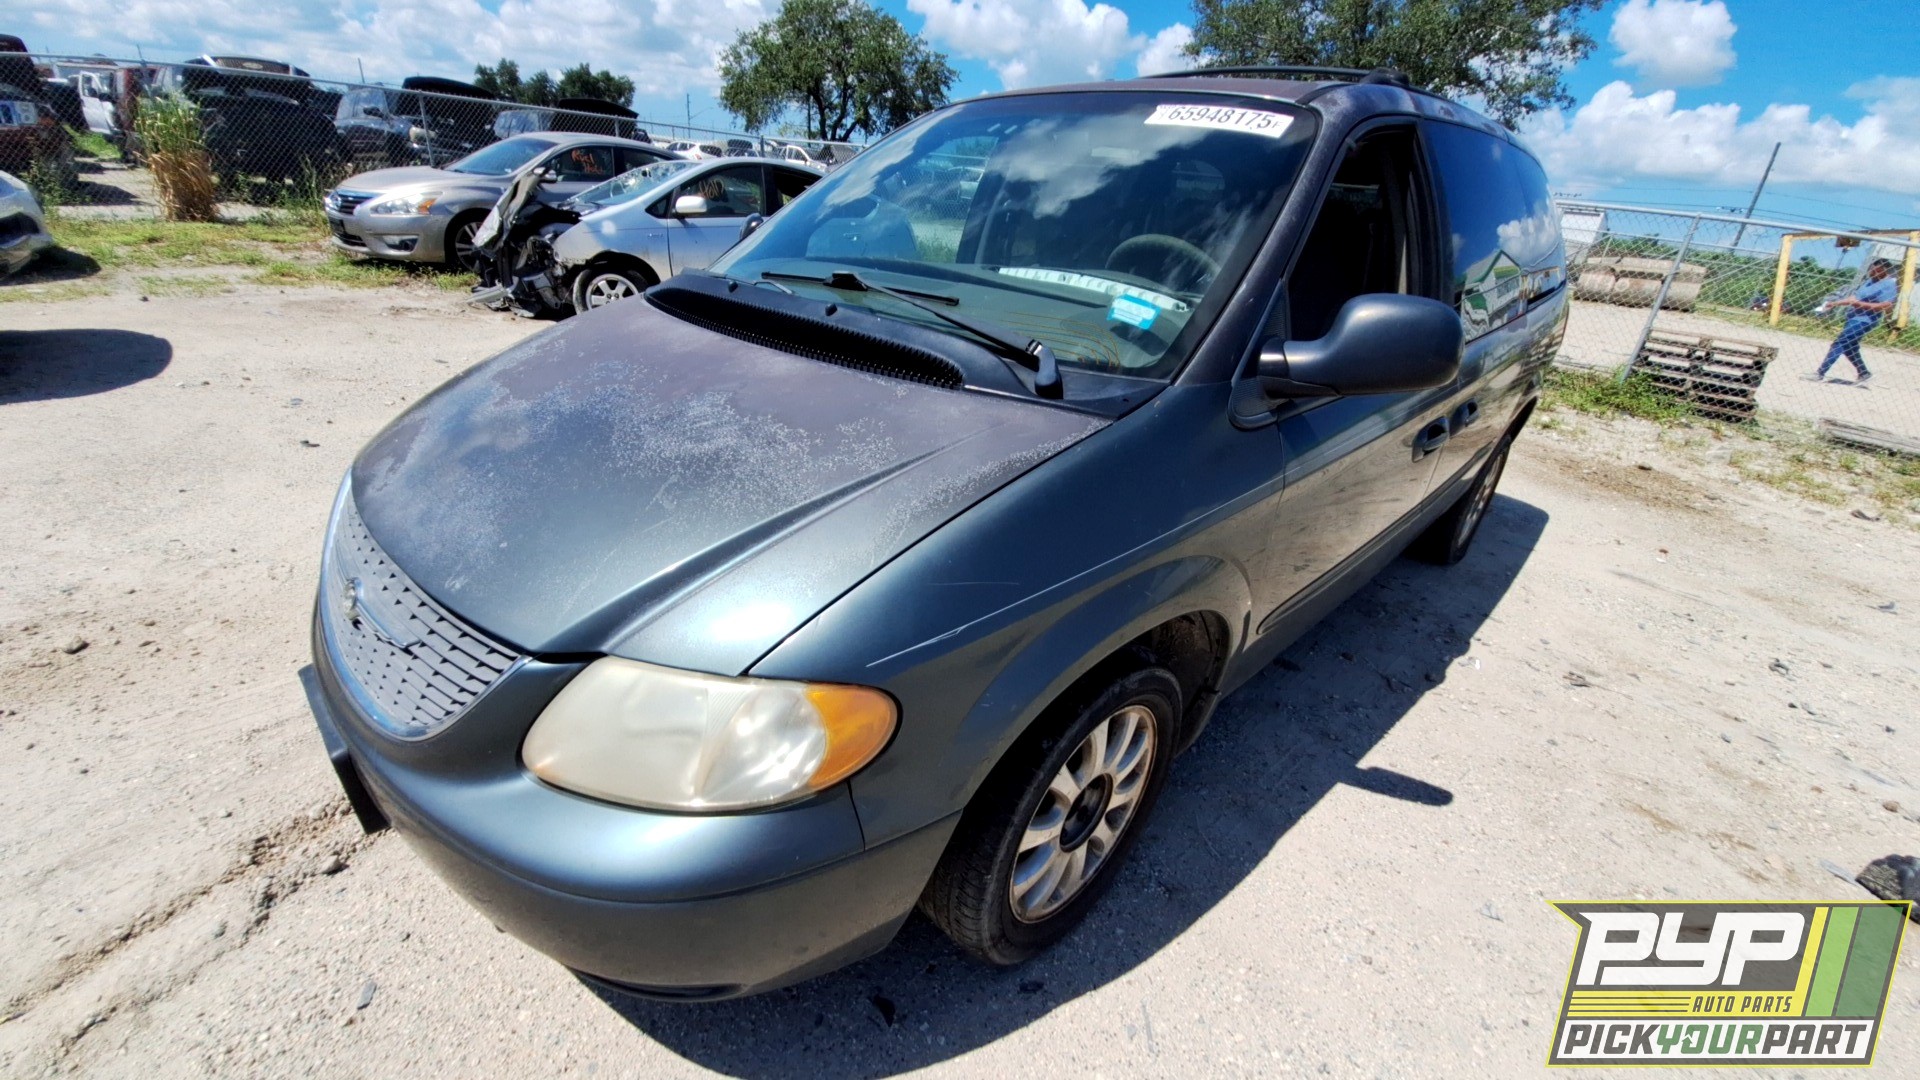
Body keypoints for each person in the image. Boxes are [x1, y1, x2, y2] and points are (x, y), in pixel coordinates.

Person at [1811, 258, 1902, 385]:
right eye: (1871, 270)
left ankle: (1820, 373)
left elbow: (1886, 305)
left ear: (1884, 271)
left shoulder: (1889, 284)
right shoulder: (1870, 281)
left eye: (1875, 271)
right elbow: (1854, 298)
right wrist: (1834, 303)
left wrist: (1861, 305)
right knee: (1850, 347)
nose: (1872, 273)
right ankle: (1864, 373)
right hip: (1853, 317)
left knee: (1839, 343)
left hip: (1865, 320)